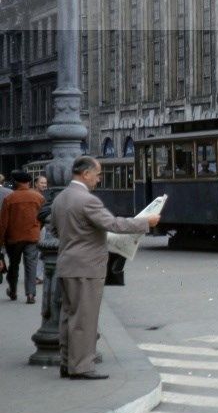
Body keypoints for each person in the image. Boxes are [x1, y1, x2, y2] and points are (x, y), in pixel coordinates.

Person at [51, 156, 159, 379]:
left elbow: (54, 230)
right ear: (86, 174)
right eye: (98, 174)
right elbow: (113, 224)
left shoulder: (60, 198)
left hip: (67, 264)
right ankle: (81, 367)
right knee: (85, 319)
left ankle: (67, 362)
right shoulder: (87, 200)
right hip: (87, 268)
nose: (99, 180)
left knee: (68, 315)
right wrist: (145, 222)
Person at [0, 171, 45, 303]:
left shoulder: (10, 199)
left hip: (13, 238)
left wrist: (1, 240)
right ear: (29, 182)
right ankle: (30, 294)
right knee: (31, 264)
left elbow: (3, 223)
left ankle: (13, 290)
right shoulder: (38, 197)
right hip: (32, 236)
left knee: (14, 265)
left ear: (16, 182)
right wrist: (37, 229)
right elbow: (42, 217)